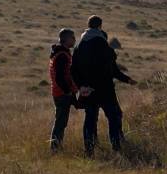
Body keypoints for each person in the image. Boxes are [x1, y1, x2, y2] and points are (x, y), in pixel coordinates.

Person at [72, 14, 134, 154]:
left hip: (87, 90)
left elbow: (73, 70)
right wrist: (126, 79)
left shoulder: (79, 46)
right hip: (105, 89)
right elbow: (112, 68)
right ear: (100, 26)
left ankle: (89, 150)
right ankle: (116, 147)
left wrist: (81, 86)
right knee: (114, 117)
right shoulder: (103, 44)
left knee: (90, 119)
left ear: (88, 26)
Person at [48, 28, 79, 153]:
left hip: (59, 92)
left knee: (61, 122)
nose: (75, 40)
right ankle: (55, 149)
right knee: (60, 122)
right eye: (72, 37)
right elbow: (60, 77)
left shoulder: (60, 53)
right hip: (61, 94)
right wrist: (67, 91)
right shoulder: (62, 55)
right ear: (66, 39)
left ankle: (56, 147)